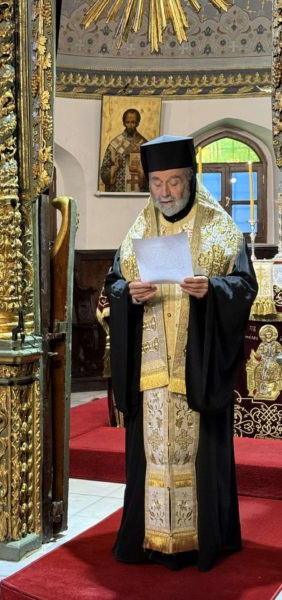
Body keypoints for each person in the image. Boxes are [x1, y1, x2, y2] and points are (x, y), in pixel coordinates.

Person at [100, 135, 258, 571]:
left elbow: (244, 286)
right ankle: (148, 538)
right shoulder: (139, 229)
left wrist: (212, 289)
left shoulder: (220, 228)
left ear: (190, 180)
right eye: (157, 183)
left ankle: (202, 540)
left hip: (196, 366)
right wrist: (129, 294)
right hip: (151, 369)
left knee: (198, 454)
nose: (165, 192)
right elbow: (113, 284)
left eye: (173, 182)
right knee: (150, 454)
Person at [100, 108, 148, 193]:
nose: (130, 125)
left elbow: (152, 171)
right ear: (124, 123)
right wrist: (115, 168)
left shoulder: (144, 144)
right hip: (118, 191)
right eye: (127, 122)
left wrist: (141, 171)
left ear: (138, 123)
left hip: (138, 193)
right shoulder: (114, 145)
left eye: (133, 122)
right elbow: (104, 171)